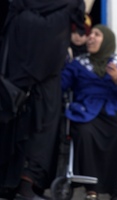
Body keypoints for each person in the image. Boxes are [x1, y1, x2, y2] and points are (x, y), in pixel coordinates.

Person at [0, 0, 85, 200]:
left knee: (25, 129)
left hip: (20, 84)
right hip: (36, 88)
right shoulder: (61, 11)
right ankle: (24, 185)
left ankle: (18, 185)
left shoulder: (22, 12)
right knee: (38, 131)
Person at [61, 24, 117, 200]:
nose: (91, 37)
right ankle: (92, 189)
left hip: (114, 110)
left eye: (97, 34)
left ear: (107, 40)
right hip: (86, 110)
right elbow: (61, 85)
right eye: (90, 35)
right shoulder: (77, 64)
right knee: (84, 132)